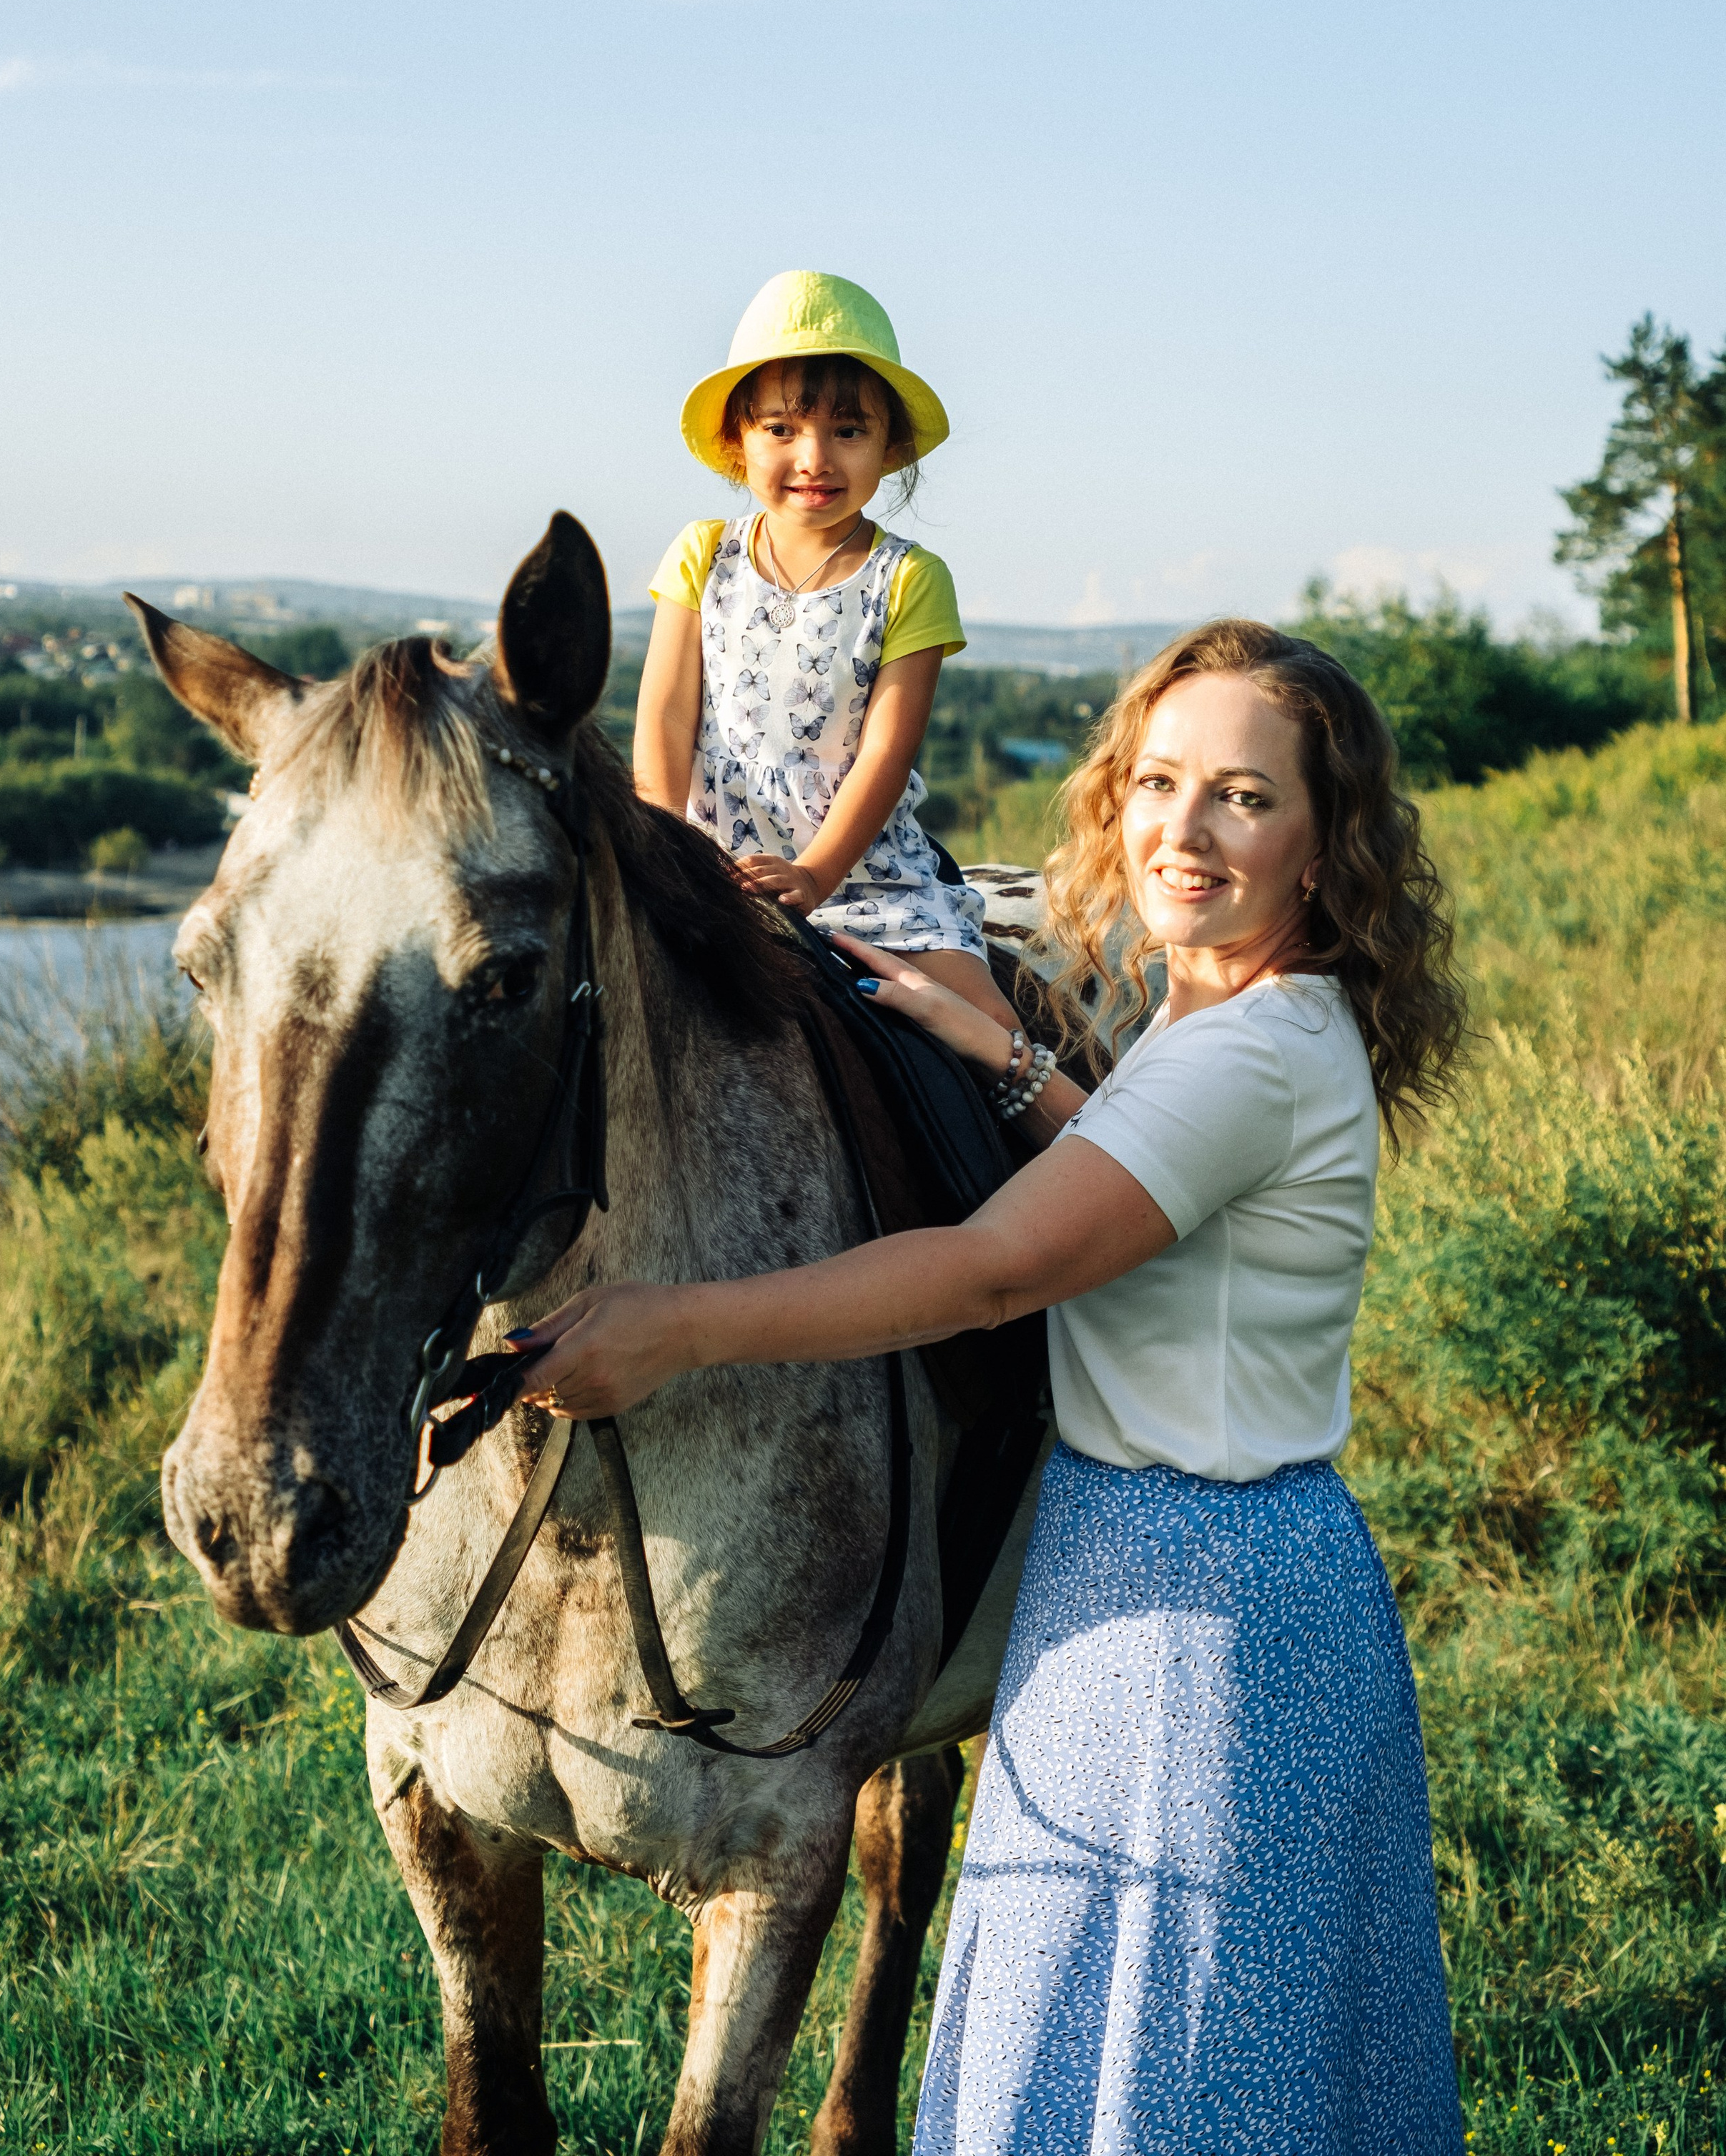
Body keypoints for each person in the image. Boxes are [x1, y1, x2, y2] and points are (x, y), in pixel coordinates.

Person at [519, 618, 1469, 2155]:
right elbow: (1143, 1187)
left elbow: (990, 1273)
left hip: (1189, 1617)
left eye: (1243, 796)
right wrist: (1004, 1058)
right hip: (1191, 1581)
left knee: (1156, 2077)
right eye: (1158, 781)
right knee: (1187, 2068)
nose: (1181, 827)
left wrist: (677, 1325)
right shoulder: (1223, 1011)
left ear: (1323, 840)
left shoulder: (1251, 1055)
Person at [634, 267, 1010, 1024]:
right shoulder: (702, 555)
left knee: (994, 1031)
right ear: (736, 440)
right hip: (712, 868)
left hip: (863, 874)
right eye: (781, 428)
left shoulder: (908, 579)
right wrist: (661, 852)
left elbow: (882, 756)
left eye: (848, 430)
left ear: (889, 444)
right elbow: (668, 719)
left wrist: (815, 874)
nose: (814, 457)